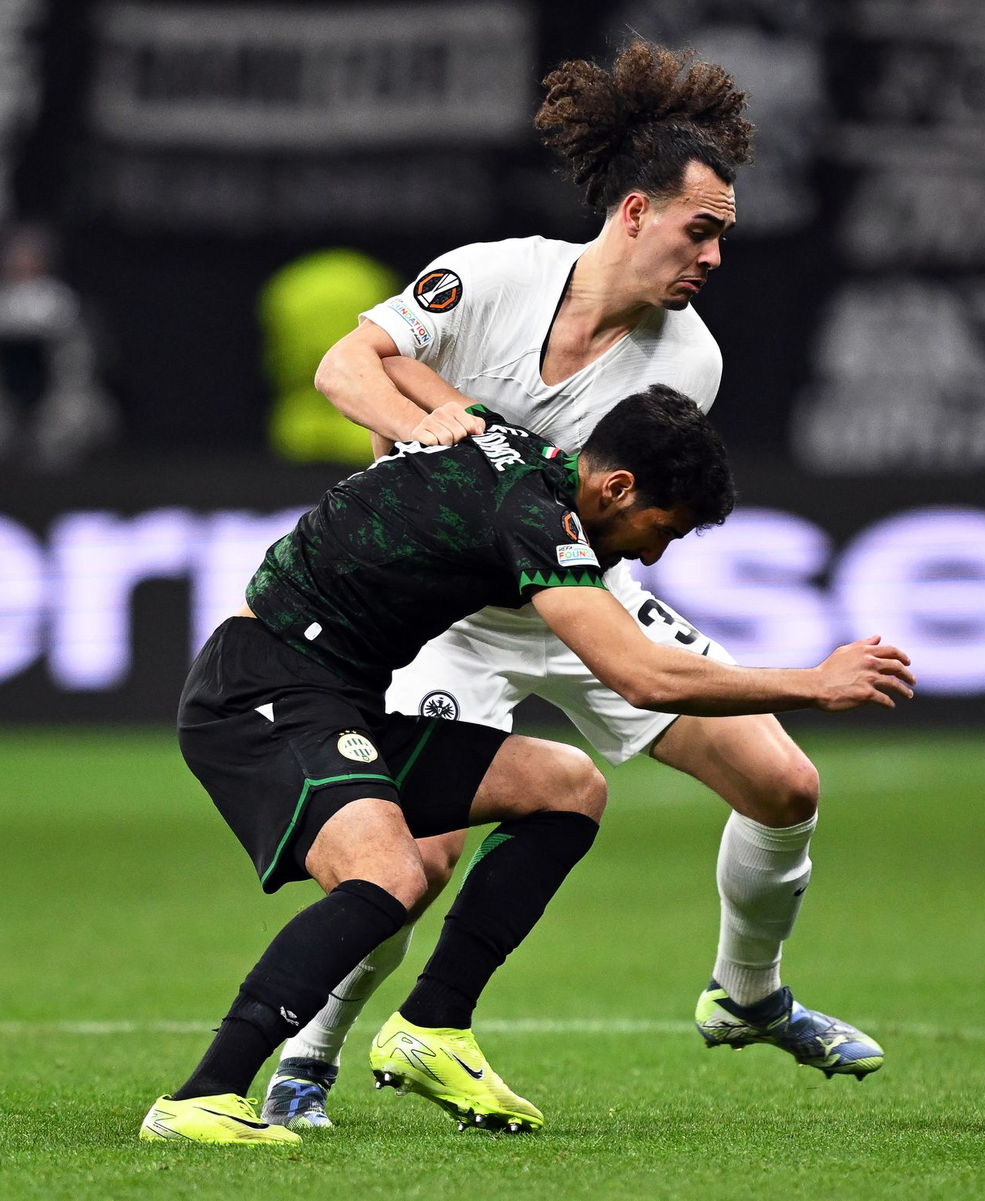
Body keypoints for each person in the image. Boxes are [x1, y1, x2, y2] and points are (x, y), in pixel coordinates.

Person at [264, 39, 886, 1129]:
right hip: (444, 617)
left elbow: (598, 513)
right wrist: (427, 426)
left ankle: (746, 994)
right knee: (409, 857)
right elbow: (341, 367)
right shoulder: (495, 276)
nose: (714, 258)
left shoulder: (688, 363)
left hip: (570, 599)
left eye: (726, 238)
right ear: (637, 212)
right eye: (703, 230)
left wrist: (460, 443)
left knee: (786, 786)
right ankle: (305, 1061)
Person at [139, 389, 915, 1145]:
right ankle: (204, 1095)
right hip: (264, 689)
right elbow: (641, 676)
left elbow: (404, 405)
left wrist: (424, 412)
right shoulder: (531, 512)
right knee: (391, 877)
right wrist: (815, 682)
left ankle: (432, 1022)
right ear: (617, 486)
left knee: (567, 786)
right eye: (661, 530)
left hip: (344, 698)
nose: (651, 553)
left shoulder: (526, 458)